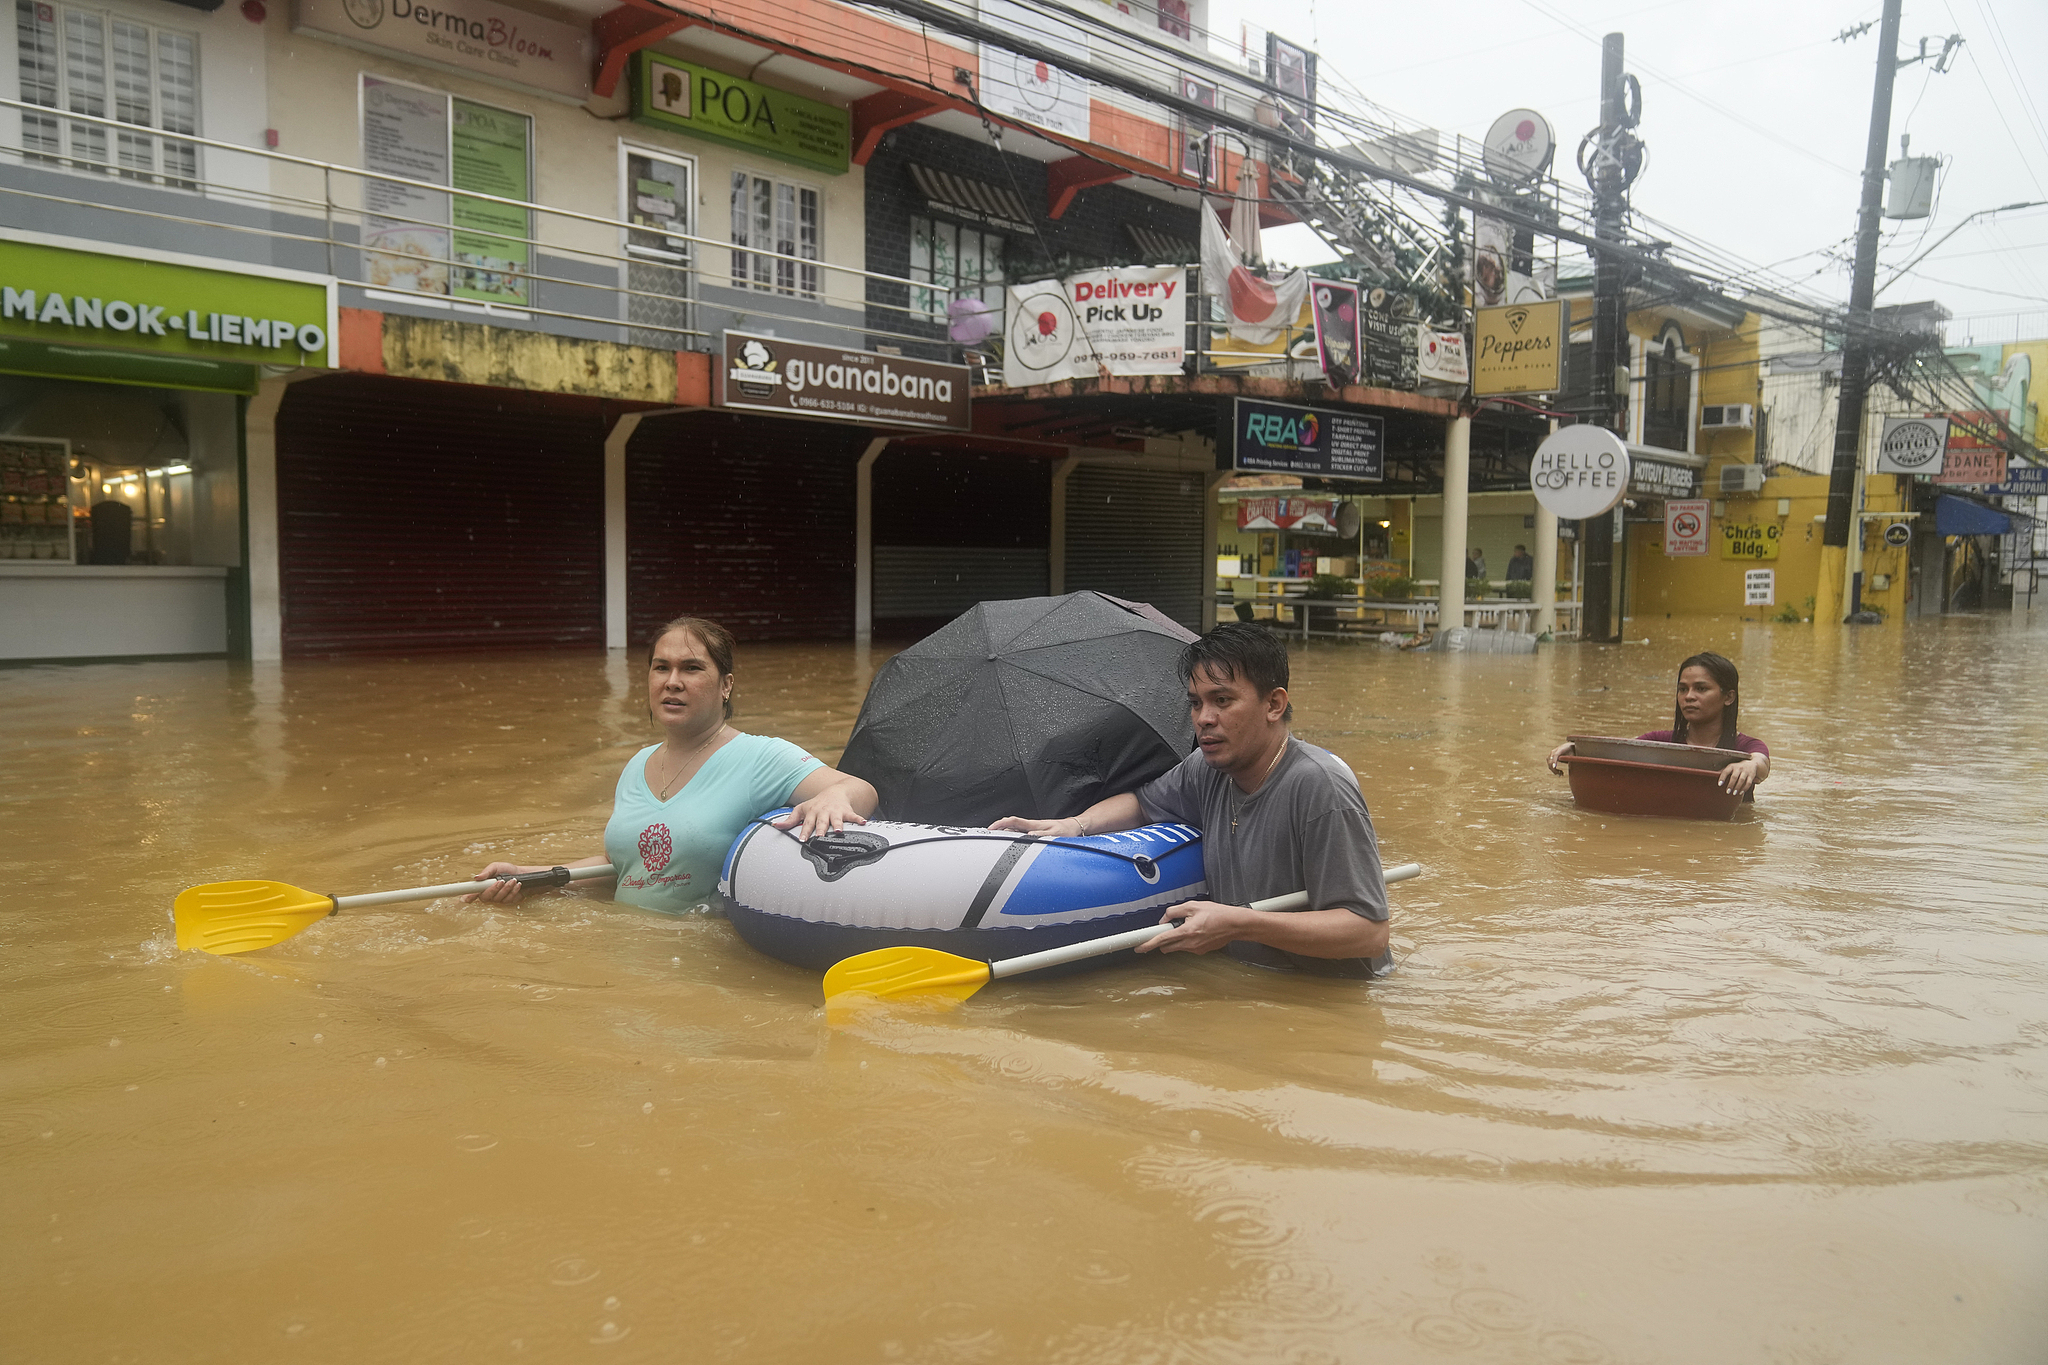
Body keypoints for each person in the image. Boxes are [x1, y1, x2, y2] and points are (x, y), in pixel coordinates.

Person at [991, 623, 1391, 976]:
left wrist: (1240, 924)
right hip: (1253, 985)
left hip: (1328, 998)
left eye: (1222, 700)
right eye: (1196, 703)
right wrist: (1073, 826)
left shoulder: (1321, 788)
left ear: (1274, 704)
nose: (1203, 718)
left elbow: (1368, 932)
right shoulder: (1207, 768)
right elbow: (1141, 803)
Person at [467, 615, 878, 913]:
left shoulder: (760, 757)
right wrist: (531, 877)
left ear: (726, 685)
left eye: (692, 668)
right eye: (661, 667)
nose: (672, 681)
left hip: (702, 965)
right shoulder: (637, 765)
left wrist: (833, 797)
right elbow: (627, 868)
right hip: (626, 959)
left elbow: (862, 790)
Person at [1547, 650, 1770, 798]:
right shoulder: (1659, 741)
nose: (1689, 696)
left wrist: (1749, 766)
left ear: (1728, 697)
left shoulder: (1745, 747)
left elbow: (1761, 763)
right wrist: (1577, 749)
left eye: (1701, 689)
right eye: (1683, 689)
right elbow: (1617, 752)